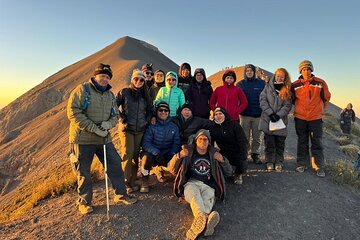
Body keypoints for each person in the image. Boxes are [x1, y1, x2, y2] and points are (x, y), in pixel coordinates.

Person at [67, 63, 136, 215]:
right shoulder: (82, 90)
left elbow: (115, 115)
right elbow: (73, 112)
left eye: (107, 76)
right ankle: (84, 202)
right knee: (84, 172)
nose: (104, 79)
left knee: (115, 164)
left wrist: (109, 124)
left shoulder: (110, 95)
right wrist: (95, 128)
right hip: (82, 139)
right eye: (102, 75)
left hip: (104, 139)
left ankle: (121, 194)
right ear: (95, 76)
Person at [168, 129, 232, 240]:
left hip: (209, 185)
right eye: (200, 139)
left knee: (207, 199)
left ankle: (200, 224)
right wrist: (178, 156)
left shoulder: (213, 154)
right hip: (191, 183)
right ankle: (204, 220)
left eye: (206, 139)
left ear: (209, 142)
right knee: (194, 196)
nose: (203, 141)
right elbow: (171, 169)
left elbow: (229, 172)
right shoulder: (188, 153)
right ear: (196, 141)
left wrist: (223, 160)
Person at [291, 60, 331, 177]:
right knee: (302, 141)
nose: (306, 71)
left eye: (308, 69)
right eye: (303, 69)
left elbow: (326, 97)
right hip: (300, 117)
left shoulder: (320, 83)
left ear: (312, 70)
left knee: (317, 142)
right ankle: (302, 163)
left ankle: (318, 166)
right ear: (300, 71)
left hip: (316, 118)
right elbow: (292, 99)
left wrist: (320, 110)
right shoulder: (295, 85)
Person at [116, 69, 153, 194]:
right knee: (127, 153)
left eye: (141, 80)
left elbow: (150, 110)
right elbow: (113, 106)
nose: (139, 81)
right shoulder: (124, 92)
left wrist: (146, 121)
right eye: (136, 79)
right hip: (127, 129)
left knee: (135, 155)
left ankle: (132, 182)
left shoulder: (145, 95)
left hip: (140, 130)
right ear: (132, 79)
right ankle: (125, 183)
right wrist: (121, 118)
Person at [140, 102, 181, 192]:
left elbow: (176, 142)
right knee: (146, 158)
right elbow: (146, 143)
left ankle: (176, 179)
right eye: (160, 110)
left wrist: (172, 153)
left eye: (166, 110)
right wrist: (156, 153)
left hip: (168, 152)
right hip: (154, 153)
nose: (163, 112)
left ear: (169, 112)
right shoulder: (152, 126)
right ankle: (145, 180)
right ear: (157, 112)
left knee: (179, 157)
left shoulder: (174, 127)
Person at [259, 68, 292, 171]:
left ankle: (278, 162)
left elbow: (287, 105)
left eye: (282, 76)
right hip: (268, 119)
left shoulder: (287, 89)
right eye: (277, 76)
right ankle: (269, 161)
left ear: (285, 78)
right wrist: (271, 113)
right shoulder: (268, 87)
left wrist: (278, 115)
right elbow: (262, 100)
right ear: (274, 76)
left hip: (280, 121)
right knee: (269, 143)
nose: (279, 78)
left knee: (280, 143)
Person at [209, 107, 248, 184]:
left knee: (242, 163)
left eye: (220, 114)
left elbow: (242, 141)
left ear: (225, 115)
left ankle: (238, 174)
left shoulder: (234, 125)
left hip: (237, 150)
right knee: (218, 161)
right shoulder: (213, 127)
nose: (218, 116)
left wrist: (243, 154)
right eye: (216, 114)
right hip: (224, 151)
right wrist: (213, 153)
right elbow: (211, 142)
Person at [236, 64, 266, 164]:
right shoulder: (240, 84)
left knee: (257, 137)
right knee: (245, 137)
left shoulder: (262, 83)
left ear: (254, 72)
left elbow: (266, 97)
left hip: (258, 115)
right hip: (244, 115)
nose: (249, 72)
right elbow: (237, 99)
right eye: (247, 70)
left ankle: (255, 154)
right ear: (245, 72)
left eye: (251, 70)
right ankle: (244, 154)